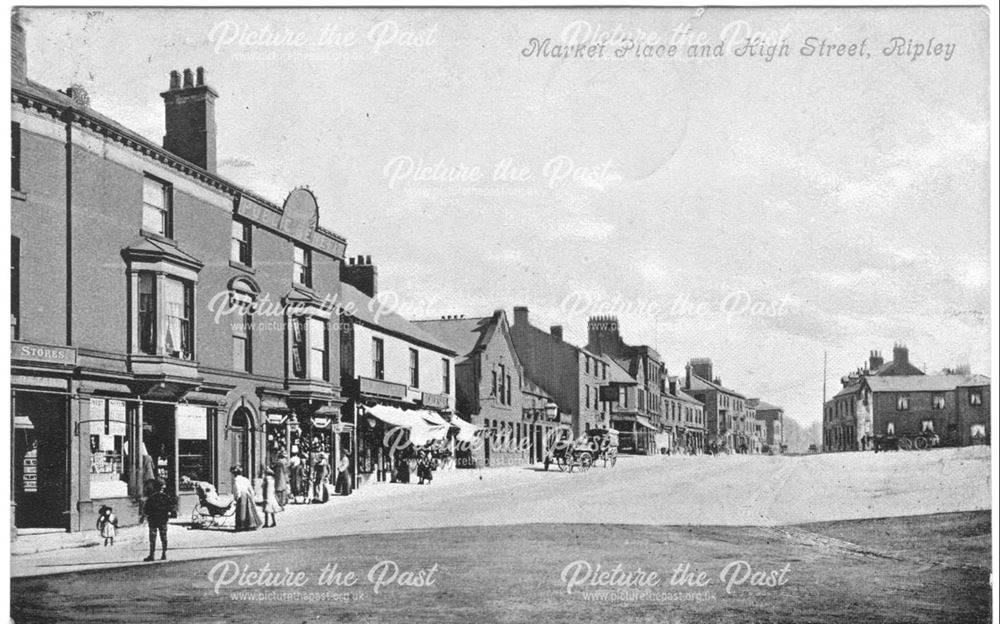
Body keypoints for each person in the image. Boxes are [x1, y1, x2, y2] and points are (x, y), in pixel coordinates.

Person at [140, 479, 171, 561]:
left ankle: (152, 555)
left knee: (152, 538)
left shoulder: (151, 498)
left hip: (153, 520)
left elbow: (146, 509)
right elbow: (171, 509)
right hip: (163, 519)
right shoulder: (166, 497)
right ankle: (164, 553)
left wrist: (146, 516)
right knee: (163, 537)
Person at [231, 466, 261, 532]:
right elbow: (251, 490)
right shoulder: (245, 479)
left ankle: (241, 526)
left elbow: (236, 490)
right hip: (247, 496)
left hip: (241, 496)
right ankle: (250, 525)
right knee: (249, 510)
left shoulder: (236, 480)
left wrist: (236, 498)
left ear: (234, 474)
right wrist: (252, 497)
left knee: (241, 511)